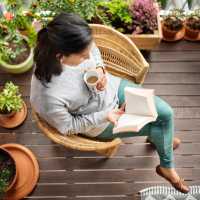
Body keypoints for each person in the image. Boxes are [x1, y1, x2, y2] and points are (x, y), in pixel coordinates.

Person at [30, 12, 189, 193]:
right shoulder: (47, 96)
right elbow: (67, 127)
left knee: (166, 113)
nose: (87, 56)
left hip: (112, 88)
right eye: (83, 56)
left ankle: (160, 142)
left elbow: (94, 51)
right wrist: (106, 115)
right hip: (100, 120)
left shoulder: (73, 44)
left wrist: (99, 68)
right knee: (158, 126)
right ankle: (166, 166)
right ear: (61, 57)